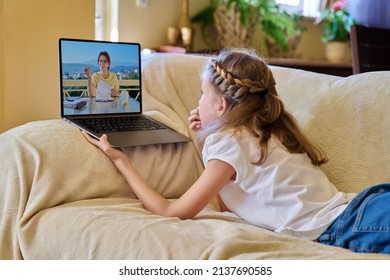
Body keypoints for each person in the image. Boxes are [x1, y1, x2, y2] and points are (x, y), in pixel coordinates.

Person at [82, 48, 390, 254]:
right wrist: (205, 136)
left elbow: (172, 211)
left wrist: (122, 161)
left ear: (220, 105)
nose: (199, 102)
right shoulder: (265, 127)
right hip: (364, 206)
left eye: (203, 94)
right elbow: (232, 205)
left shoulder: (229, 141)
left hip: (348, 225)